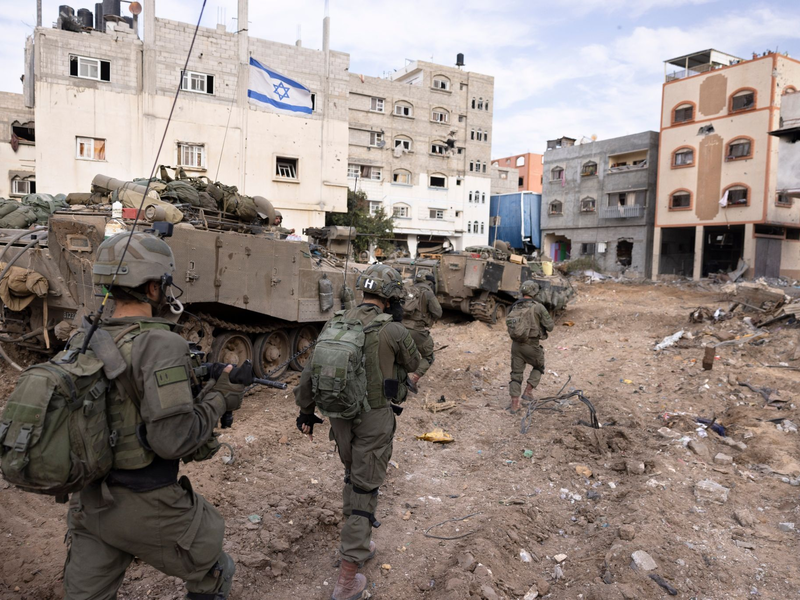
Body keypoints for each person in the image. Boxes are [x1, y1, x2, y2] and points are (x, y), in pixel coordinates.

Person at [63, 232, 246, 600]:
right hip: (146, 501)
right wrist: (221, 399)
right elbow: (172, 440)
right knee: (214, 571)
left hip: (89, 503)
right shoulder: (162, 343)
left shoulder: (82, 339)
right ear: (152, 287)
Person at [294, 263, 420, 600]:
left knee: (353, 477)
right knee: (365, 489)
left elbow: (309, 373)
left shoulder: (336, 321)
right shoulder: (392, 330)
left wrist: (306, 411)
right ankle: (347, 579)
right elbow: (414, 363)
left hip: (339, 418)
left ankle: (359, 539)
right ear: (391, 296)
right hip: (374, 419)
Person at [507, 280, 554, 413]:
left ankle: (515, 404)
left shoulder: (515, 306)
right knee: (539, 366)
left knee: (516, 374)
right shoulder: (538, 307)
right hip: (531, 345)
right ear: (534, 292)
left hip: (516, 345)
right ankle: (528, 392)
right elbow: (550, 326)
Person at [402, 268, 442, 393]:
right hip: (417, 331)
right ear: (429, 282)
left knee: (400, 356)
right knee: (428, 356)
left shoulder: (407, 290)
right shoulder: (427, 293)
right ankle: (413, 378)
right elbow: (438, 312)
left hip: (400, 328)